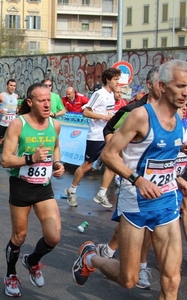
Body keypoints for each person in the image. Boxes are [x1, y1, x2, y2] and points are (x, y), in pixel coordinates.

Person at [72, 60, 187, 300]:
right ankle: (90, 257)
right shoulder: (140, 115)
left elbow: (165, 160)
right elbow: (108, 154)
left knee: (172, 280)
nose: (185, 93)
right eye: (180, 86)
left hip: (166, 204)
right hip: (136, 203)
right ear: (162, 86)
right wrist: (137, 180)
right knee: (128, 279)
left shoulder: (179, 119)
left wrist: (176, 175)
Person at [95, 66, 161, 290]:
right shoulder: (134, 110)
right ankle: (108, 253)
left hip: (162, 184)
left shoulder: (173, 112)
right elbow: (109, 129)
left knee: (149, 229)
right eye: (164, 84)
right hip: (133, 179)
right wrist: (121, 154)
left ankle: (133, 262)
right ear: (151, 86)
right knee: (131, 226)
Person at [0, 83, 65, 297]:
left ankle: (32, 260)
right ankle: (10, 274)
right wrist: (30, 159)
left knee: (53, 237)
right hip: (21, 186)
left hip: (44, 187)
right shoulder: (18, 125)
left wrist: (57, 164)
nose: (47, 104)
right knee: (19, 236)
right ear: (30, 102)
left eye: (49, 100)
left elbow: (55, 146)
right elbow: (6, 160)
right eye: (41, 100)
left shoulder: (54, 125)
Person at [64, 67, 121, 207]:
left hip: (108, 134)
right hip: (95, 136)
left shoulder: (112, 95)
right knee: (87, 166)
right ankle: (72, 190)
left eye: (118, 79)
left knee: (112, 164)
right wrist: (104, 117)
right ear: (108, 79)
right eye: (115, 79)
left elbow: (109, 112)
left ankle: (101, 193)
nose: (117, 83)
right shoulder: (99, 94)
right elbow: (86, 113)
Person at [0, 79, 18, 168]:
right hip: (2, 122)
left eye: (14, 86)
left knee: (13, 141)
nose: (12, 87)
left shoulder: (16, 96)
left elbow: (15, 108)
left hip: (12, 122)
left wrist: (17, 110)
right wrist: (0, 110)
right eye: (11, 85)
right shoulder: (1, 96)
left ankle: (12, 159)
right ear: (7, 86)